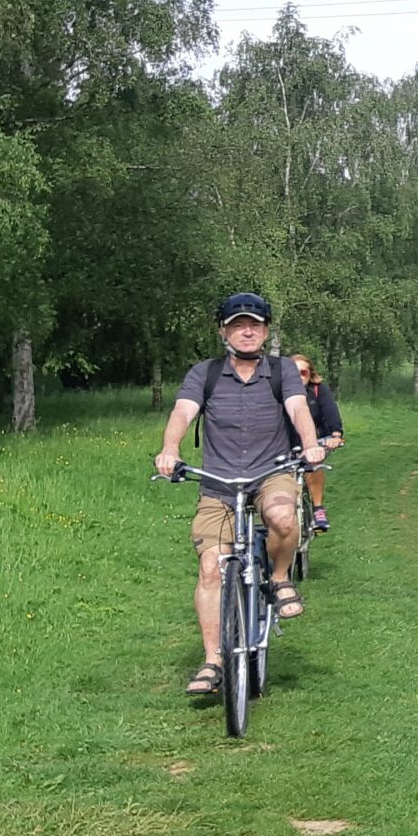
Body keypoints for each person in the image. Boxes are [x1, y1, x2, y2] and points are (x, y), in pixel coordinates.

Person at [154, 294, 325, 698]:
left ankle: (280, 579)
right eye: (237, 325)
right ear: (223, 331)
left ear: (265, 331)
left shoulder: (282, 371)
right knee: (211, 567)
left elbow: (299, 408)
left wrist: (311, 444)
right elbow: (182, 412)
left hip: (272, 472)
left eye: (254, 325)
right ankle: (213, 659)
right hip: (218, 480)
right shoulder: (205, 374)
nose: (246, 331)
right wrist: (170, 449)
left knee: (283, 517)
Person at [291, 354, 345, 530]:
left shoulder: (318, 390)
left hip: (317, 439)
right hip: (287, 442)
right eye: (293, 372)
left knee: (313, 462)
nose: (298, 377)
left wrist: (335, 436)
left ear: (310, 374)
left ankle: (317, 508)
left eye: (303, 372)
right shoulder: (277, 392)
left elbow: (331, 412)